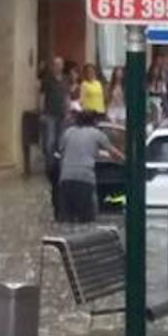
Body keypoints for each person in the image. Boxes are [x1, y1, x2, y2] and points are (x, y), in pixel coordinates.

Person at [56, 111, 122, 224]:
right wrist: (128, 161)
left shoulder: (68, 133)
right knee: (88, 220)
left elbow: (60, 152)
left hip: (65, 179)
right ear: (94, 122)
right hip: (85, 180)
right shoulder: (97, 134)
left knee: (66, 220)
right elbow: (114, 153)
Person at [38, 58, 70, 201]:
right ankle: (49, 167)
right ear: (53, 66)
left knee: (60, 142)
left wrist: (68, 111)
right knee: (49, 142)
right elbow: (41, 96)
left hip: (61, 114)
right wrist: (41, 112)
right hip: (49, 114)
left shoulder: (65, 79)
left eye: (60, 64)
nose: (58, 67)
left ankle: (58, 167)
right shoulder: (47, 80)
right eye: (56, 64)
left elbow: (67, 96)